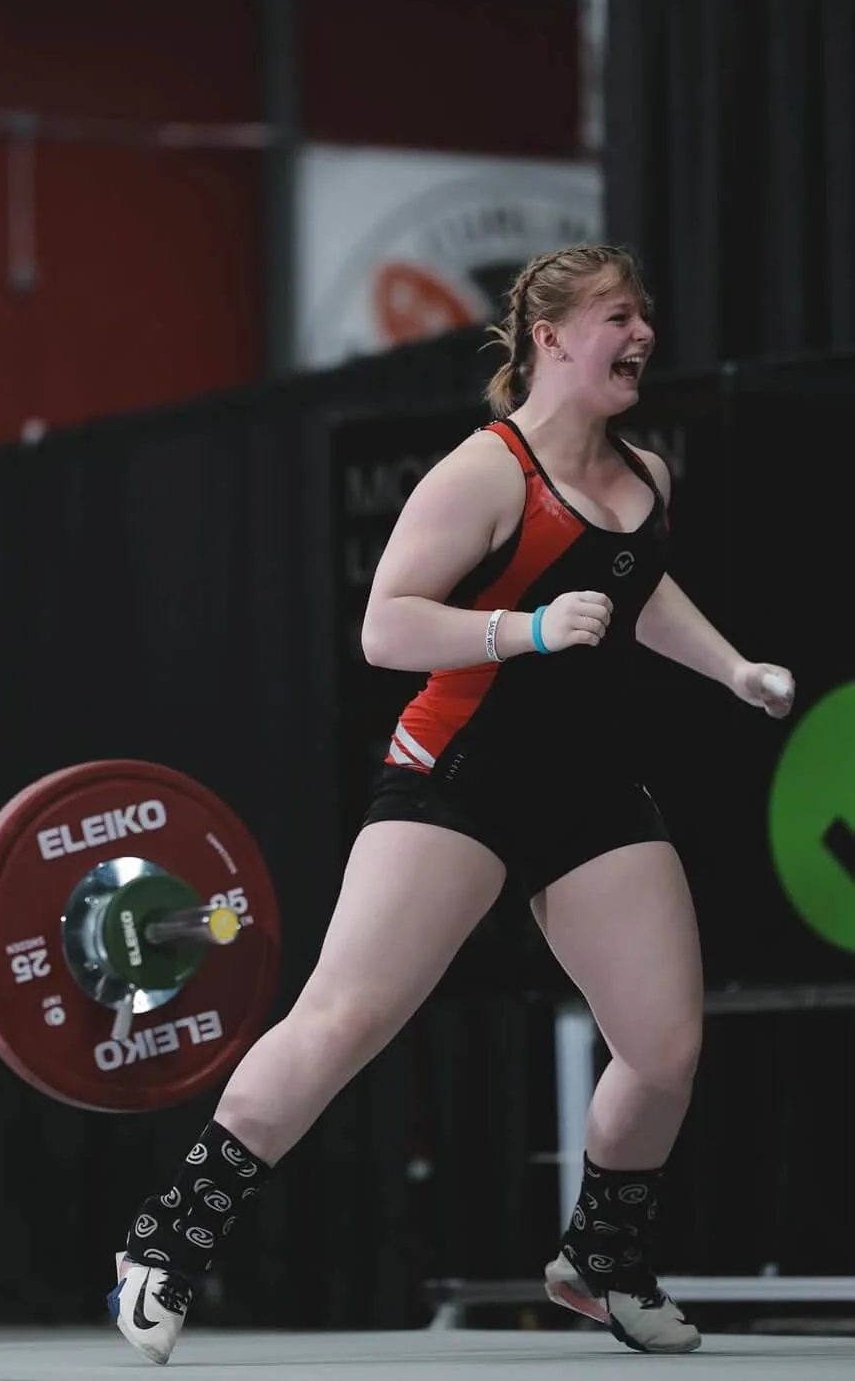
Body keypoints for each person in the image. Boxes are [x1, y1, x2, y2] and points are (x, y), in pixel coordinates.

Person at [106, 243, 795, 1363]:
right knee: (344, 1020)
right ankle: (165, 1245)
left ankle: (601, 1258)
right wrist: (522, 630)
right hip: (455, 780)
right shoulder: (486, 473)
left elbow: (637, 583)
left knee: (665, 1050)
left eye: (646, 315)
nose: (644, 335)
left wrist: (734, 670)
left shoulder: (647, 473)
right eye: (621, 315)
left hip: (592, 795)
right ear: (553, 337)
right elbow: (386, 627)